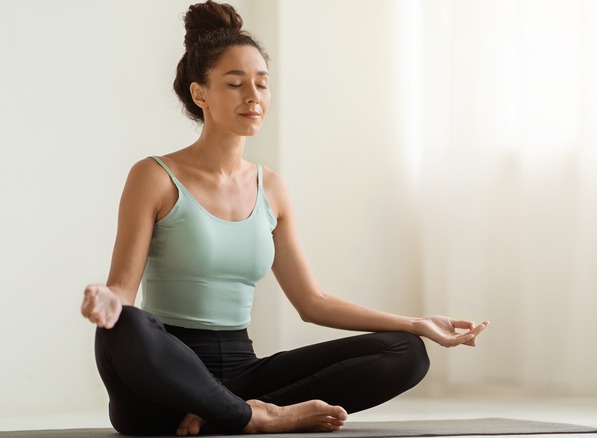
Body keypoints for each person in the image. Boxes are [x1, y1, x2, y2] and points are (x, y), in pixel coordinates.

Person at [80, 1, 489, 436]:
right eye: (235, 84)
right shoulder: (154, 176)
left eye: (262, 84)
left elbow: (313, 303)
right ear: (200, 93)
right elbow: (122, 290)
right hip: (164, 380)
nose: (253, 97)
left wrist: (416, 322)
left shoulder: (271, 188)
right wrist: (108, 304)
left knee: (407, 352)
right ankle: (253, 416)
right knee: (123, 327)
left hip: (242, 372)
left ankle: (228, 412)